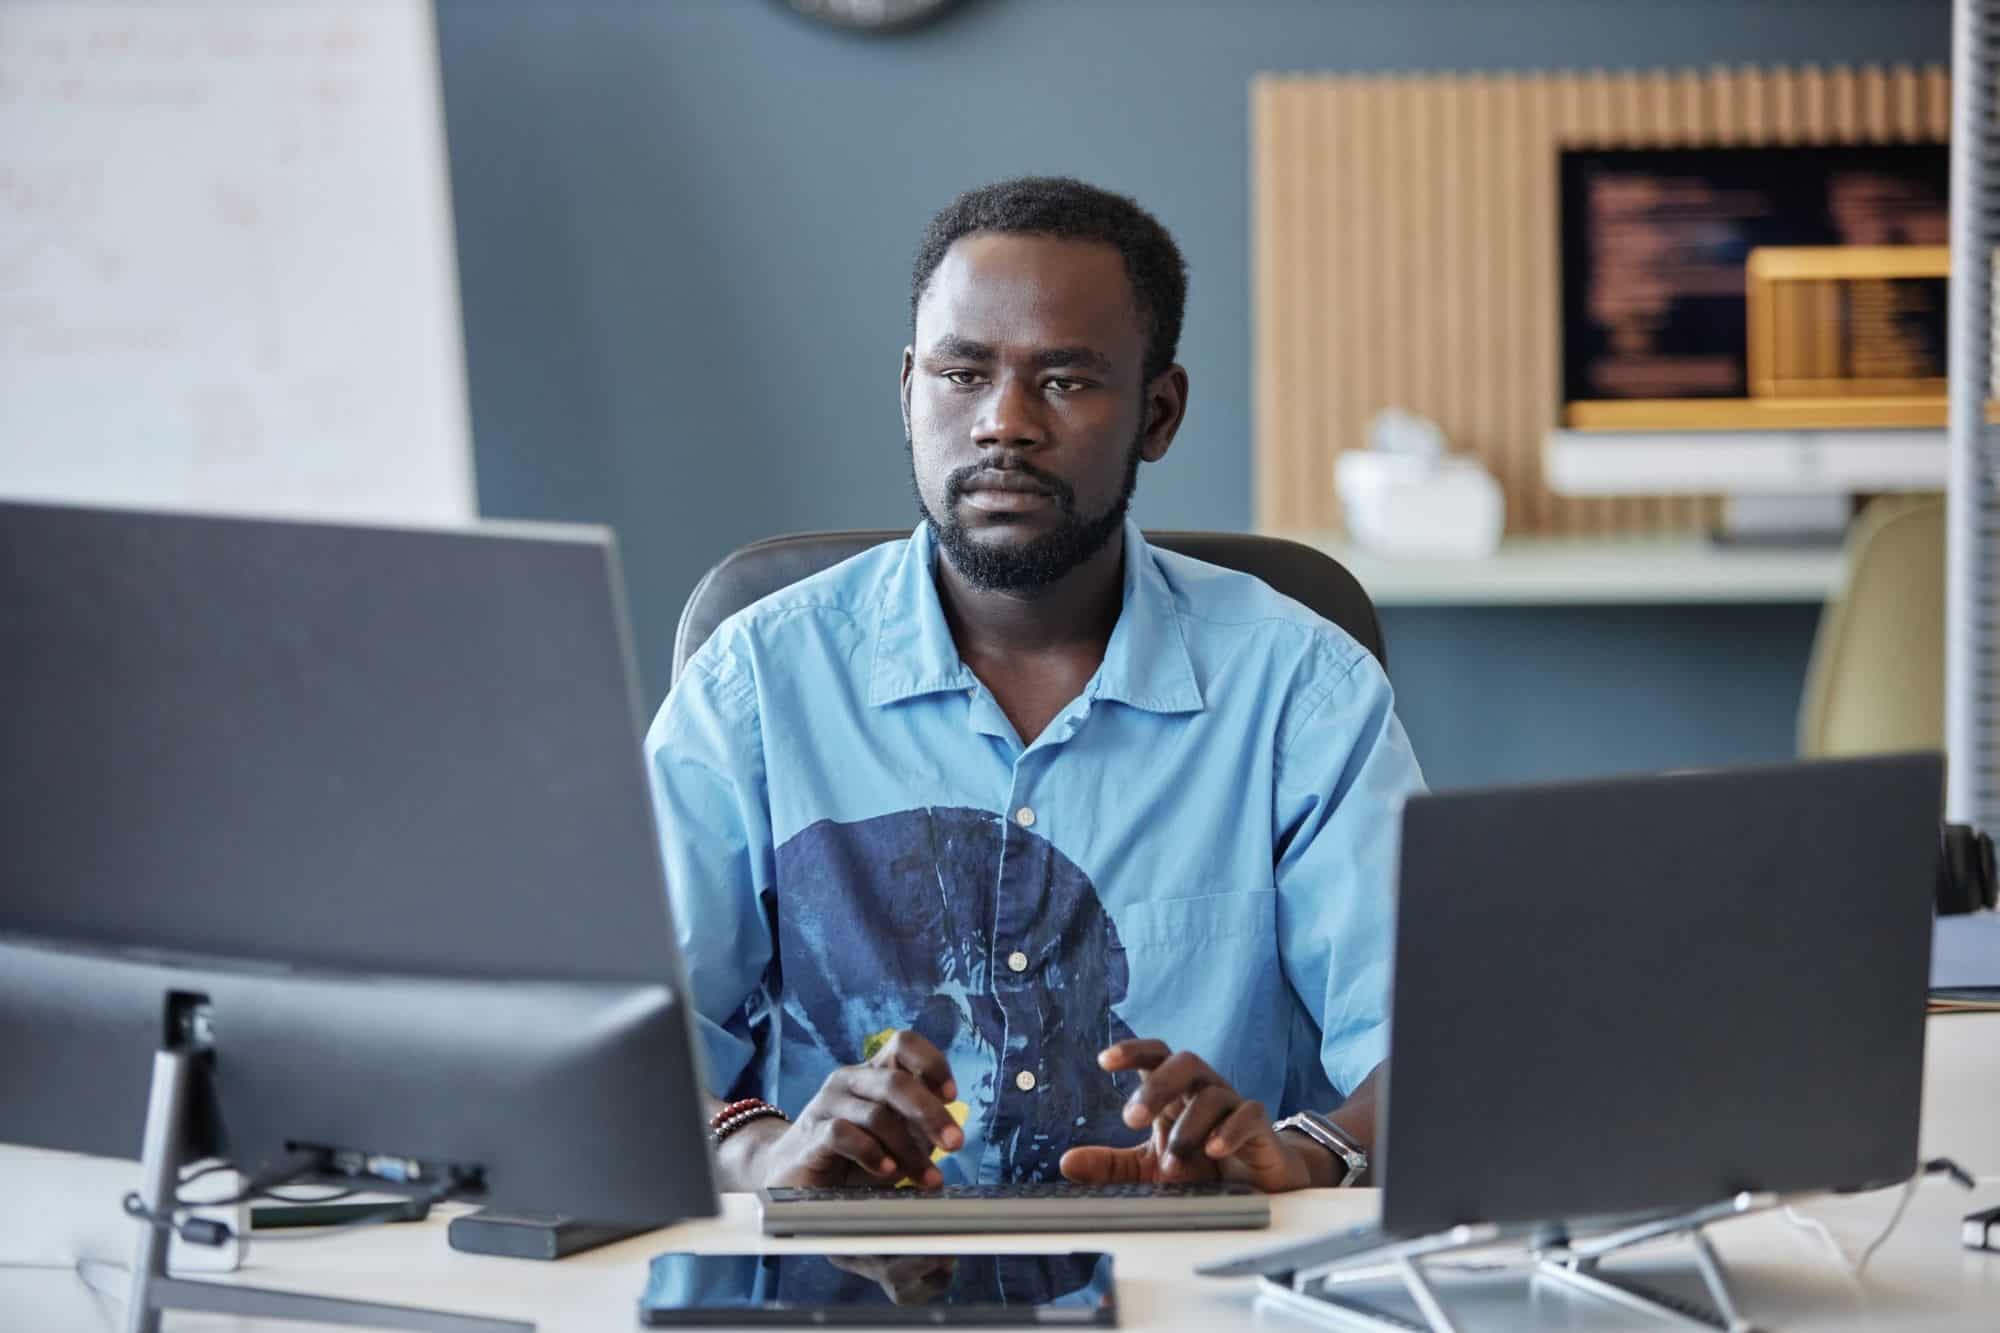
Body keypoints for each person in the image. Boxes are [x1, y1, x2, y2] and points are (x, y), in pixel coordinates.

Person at [646, 176, 1423, 1194]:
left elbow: (1424, 1050)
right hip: (841, 1292)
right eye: (961, 374)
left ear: (1158, 411)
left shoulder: (1301, 694)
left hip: (1196, 1289)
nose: (1001, 423)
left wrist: (1306, 1155)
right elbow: (625, 1047)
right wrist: (762, 1146)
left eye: (1062, 381)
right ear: (907, 392)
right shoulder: (754, 683)